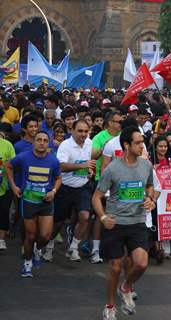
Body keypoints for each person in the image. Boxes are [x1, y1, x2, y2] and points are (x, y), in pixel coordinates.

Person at [92, 126, 157, 320]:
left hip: (137, 222)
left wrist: (150, 199)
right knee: (115, 267)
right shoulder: (112, 169)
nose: (142, 146)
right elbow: (96, 197)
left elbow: (150, 187)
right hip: (116, 222)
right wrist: (103, 218)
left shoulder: (146, 166)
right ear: (126, 145)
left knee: (142, 263)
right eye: (138, 143)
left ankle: (126, 287)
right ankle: (110, 306)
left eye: (142, 142)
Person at [5, 131, 61, 277]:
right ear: (34, 142)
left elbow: (58, 178)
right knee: (30, 235)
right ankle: (27, 264)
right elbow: (8, 166)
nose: (42, 142)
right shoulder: (24, 157)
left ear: (48, 143)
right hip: (28, 201)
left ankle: (37, 248)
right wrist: (14, 185)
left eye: (44, 140)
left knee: (45, 236)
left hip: (46, 202)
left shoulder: (53, 160)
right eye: (39, 140)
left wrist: (53, 191)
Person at [43, 120, 95, 262]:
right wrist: (83, 165)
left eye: (86, 131)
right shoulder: (65, 145)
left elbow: (86, 163)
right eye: (80, 131)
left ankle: (73, 247)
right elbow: (60, 166)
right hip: (65, 187)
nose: (83, 134)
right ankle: (49, 246)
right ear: (72, 130)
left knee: (84, 216)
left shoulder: (89, 143)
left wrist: (88, 171)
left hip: (83, 186)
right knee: (58, 222)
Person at [90, 111, 122, 264]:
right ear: (110, 123)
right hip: (102, 180)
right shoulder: (99, 137)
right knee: (100, 216)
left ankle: (114, 249)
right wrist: (106, 146)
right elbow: (93, 155)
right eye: (117, 121)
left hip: (122, 183)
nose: (119, 124)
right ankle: (95, 250)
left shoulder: (123, 137)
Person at [0, 134, 15, 250]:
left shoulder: (7, 145)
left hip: (4, 187)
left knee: (4, 213)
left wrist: (5, 165)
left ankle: (1, 239)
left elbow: (13, 164)